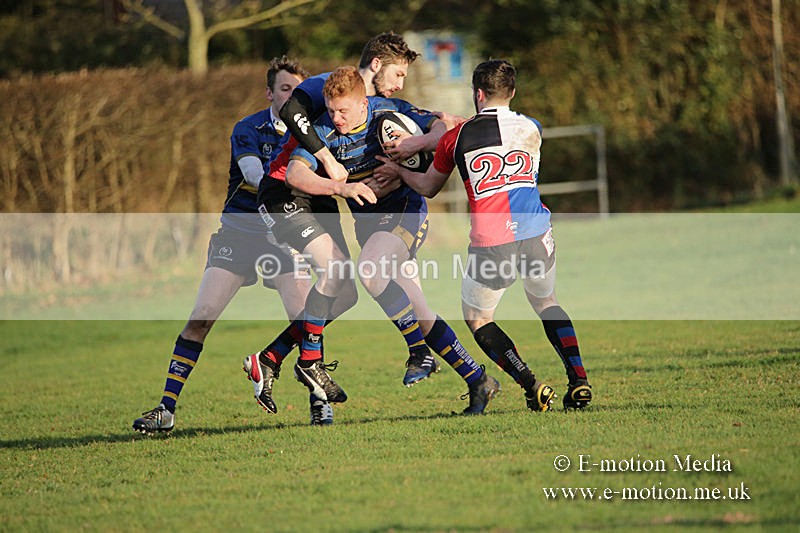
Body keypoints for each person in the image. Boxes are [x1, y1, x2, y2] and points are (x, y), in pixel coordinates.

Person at [266, 66, 501, 416]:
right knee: (417, 310)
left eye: (344, 110)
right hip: (371, 226)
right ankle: (478, 379)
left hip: (405, 212)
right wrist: (339, 187)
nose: (336, 118)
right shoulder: (325, 129)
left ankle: (418, 351)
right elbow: (297, 174)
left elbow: (442, 126)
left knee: (370, 271)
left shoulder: (388, 114)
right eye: (331, 110)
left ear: (364, 103)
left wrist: (415, 146)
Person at [131, 56, 348, 434]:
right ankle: (166, 408)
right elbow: (251, 173)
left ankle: (319, 402)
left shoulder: (314, 132)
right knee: (200, 318)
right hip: (240, 234)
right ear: (269, 92)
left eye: (296, 90)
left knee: (307, 318)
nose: (290, 96)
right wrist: (294, 179)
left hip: (283, 237)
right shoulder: (249, 128)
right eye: (283, 89)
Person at [243, 33, 450, 421]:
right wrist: (340, 178)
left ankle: (270, 358)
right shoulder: (327, 92)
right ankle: (310, 366)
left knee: (344, 294)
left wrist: (401, 165)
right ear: (376, 66)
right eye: (398, 73)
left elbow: (437, 125)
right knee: (335, 271)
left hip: (320, 200)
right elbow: (295, 157)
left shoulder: (376, 109)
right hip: (287, 192)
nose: (400, 83)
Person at [375, 59, 593, 412]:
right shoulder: (532, 128)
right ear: (513, 92)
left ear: (477, 93)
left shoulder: (455, 138)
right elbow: (496, 130)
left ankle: (531, 384)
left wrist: (399, 170)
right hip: (538, 233)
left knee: (478, 319)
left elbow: (429, 186)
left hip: (494, 242)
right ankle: (579, 379)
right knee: (546, 302)